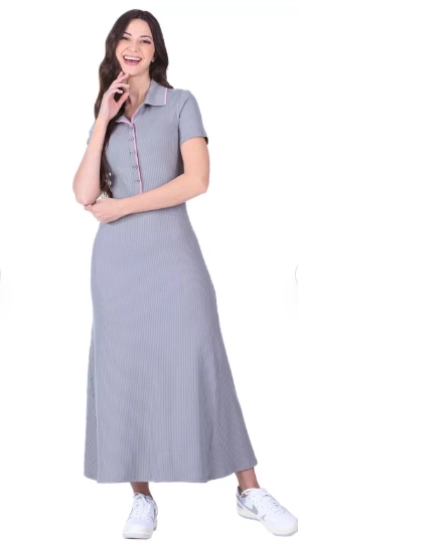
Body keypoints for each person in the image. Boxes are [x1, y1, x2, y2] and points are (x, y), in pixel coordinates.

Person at [72, 9, 298, 540]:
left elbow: (197, 181)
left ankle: (249, 490)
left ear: (156, 52)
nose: (134, 46)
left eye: (145, 40)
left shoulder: (180, 104)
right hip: (117, 268)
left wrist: (123, 206)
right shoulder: (106, 113)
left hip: (174, 256)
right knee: (125, 374)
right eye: (126, 38)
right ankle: (141, 497)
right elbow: (84, 193)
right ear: (113, 47)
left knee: (205, 363)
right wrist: (103, 119)